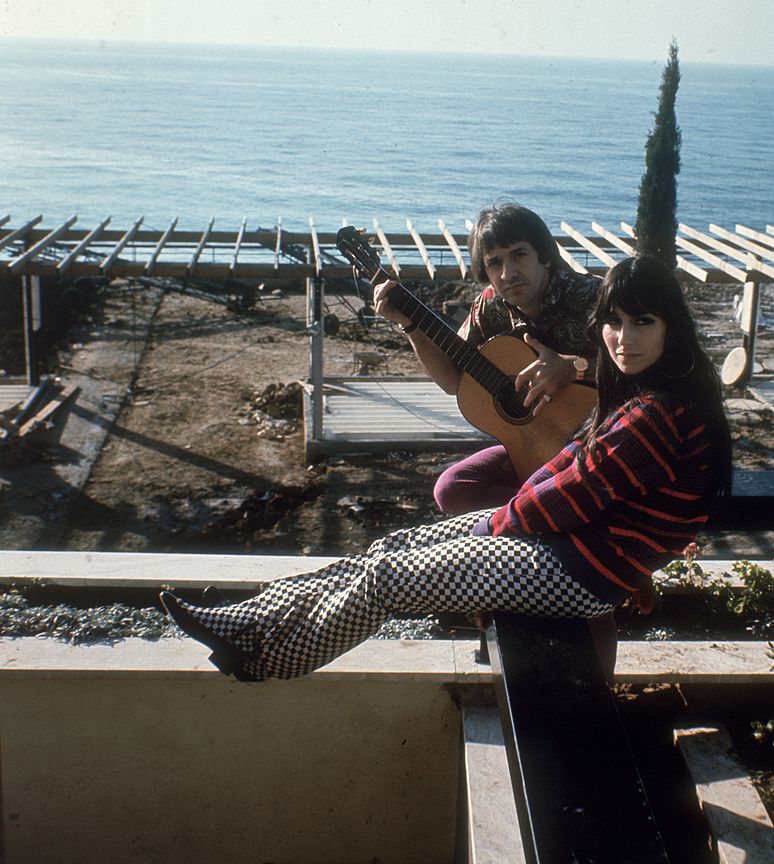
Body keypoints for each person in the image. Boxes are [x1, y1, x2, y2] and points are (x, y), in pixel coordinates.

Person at [160, 256, 733, 683]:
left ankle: (268, 660)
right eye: (613, 322)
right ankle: (248, 619)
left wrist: (495, 527)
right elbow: (569, 464)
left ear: (671, 326)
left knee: (389, 580)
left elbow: (572, 498)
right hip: (573, 549)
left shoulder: (658, 414)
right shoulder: (648, 390)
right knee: (389, 549)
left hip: (580, 571)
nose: (622, 338)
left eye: (642, 323)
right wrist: (503, 519)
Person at [373, 202, 600, 513]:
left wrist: (574, 368)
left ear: (544, 256)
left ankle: (542, 509)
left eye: (519, 255)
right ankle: (544, 509)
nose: (508, 273)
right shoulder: (489, 307)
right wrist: (410, 325)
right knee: (451, 489)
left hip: (597, 443)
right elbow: (455, 381)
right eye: (495, 263)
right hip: (533, 448)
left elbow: (651, 371)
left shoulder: (594, 299)